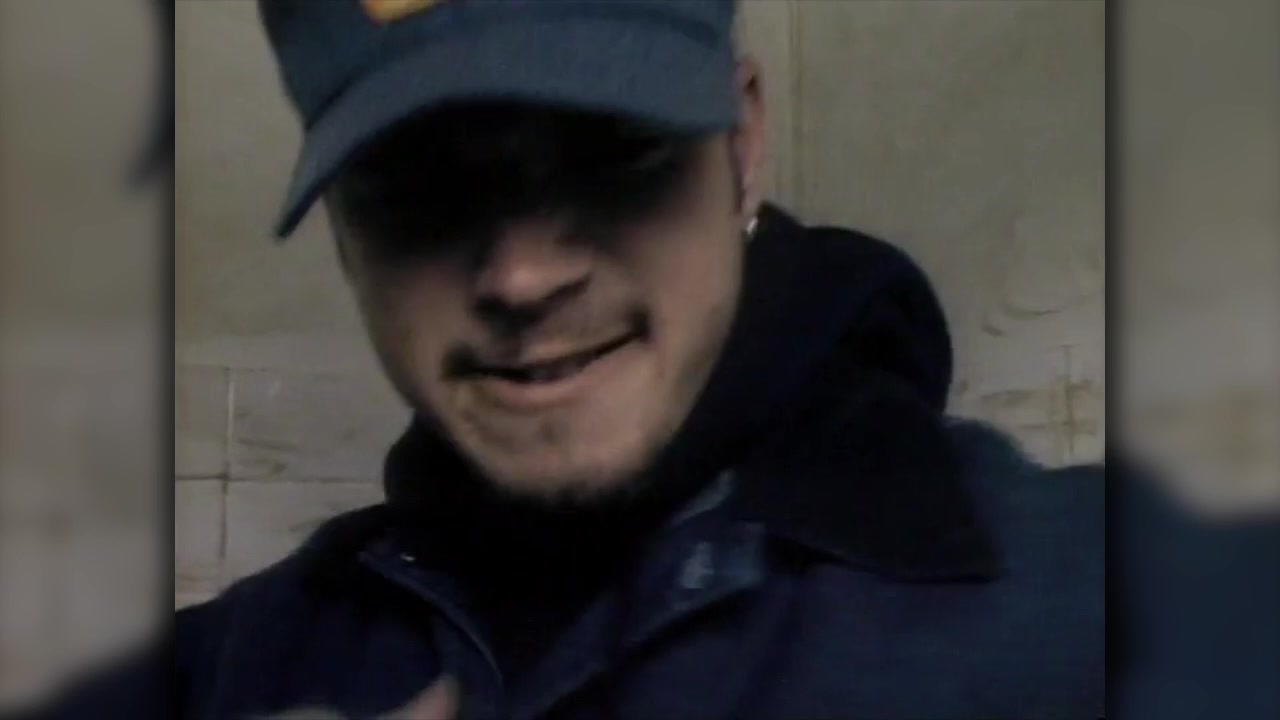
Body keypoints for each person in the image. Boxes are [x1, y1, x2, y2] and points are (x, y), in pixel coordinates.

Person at [49, 0, 1106, 718]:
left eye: (610, 153)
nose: (520, 276)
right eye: (418, 187)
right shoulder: (236, 670)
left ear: (742, 146)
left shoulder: (1096, 606)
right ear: (342, 232)